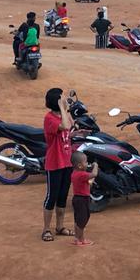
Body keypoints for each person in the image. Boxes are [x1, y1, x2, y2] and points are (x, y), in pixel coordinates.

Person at [41, 87, 74, 242]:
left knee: (62, 196)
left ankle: (60, 226)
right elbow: (66, 126)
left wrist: (65, 110)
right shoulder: (49, 118)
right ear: (57, 102)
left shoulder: (62, 115)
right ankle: (46, 229)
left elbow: (71, 124)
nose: (65, 99)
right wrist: (63, 108)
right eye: (62, 97)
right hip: (54, 163)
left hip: (66, 162)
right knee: (51, 197)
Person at [69, 151, 95, 246]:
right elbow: (94, 174)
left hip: (78, 199)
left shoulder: (75, 174)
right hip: (82, 200)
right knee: (82, 220)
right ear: (80, 165)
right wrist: (95, 166)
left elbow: (89, 183)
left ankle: (77, 238)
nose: (87, 163)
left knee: (78, 220)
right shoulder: (81, 174)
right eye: (86, 162)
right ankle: (81, 239)